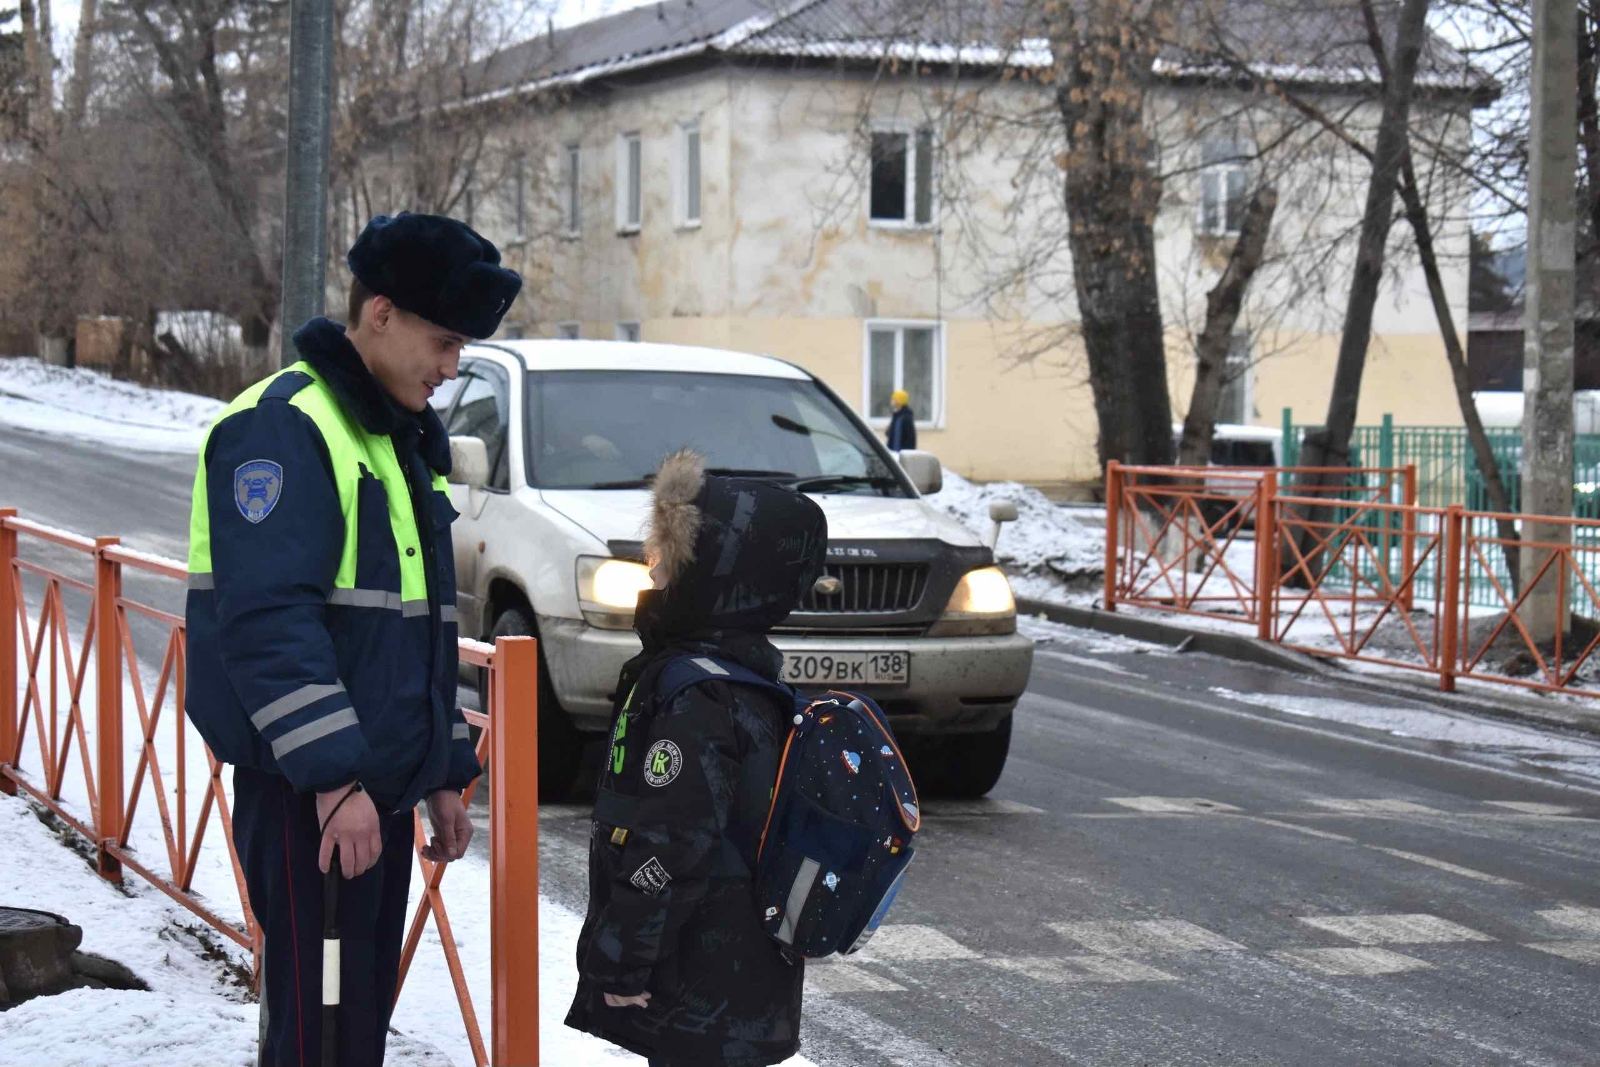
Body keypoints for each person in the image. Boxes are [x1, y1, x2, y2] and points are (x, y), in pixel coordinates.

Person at [184, 212, 522, 1067]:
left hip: (371, 796)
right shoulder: (284, 427)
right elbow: (266, 624)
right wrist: (336, 781)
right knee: (319, 1033)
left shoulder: (391, 437)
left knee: (352, 1027)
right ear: (379, 313)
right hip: (312, 798)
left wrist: (445, 770)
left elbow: (419, 629)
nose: (452, 370)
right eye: (444, 343)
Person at [565, 448, 828, 1067]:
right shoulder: (741, 679)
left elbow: (670, 844)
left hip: (700, 980)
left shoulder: (700, 695)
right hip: (734, 979)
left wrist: (625, 959)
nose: (652, 568)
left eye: (669, 556)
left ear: (716, 573)